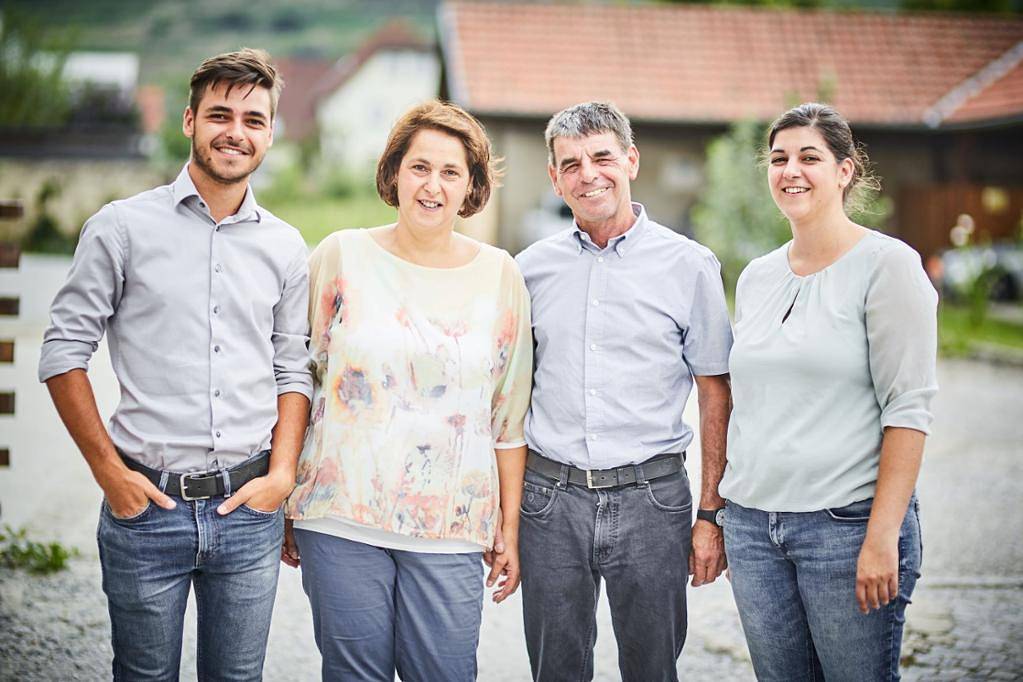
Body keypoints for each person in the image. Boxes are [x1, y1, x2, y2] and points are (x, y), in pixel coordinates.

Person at [38, 48, 311, 679]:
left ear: (270, 133)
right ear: (189, 120)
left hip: (249, 513)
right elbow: (62, 354)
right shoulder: (120, 228)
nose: (235, 133)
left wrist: (282, 476)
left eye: (253, 120)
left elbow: (293, 368)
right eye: (220, 115)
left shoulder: (285, 246)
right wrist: (109, 473)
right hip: (146, 509)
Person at [282, 100, 532, 682]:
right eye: (420, 167)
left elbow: (508, 416)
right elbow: (297, 380)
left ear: (471, 186)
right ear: (394, 171)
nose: (432, 185)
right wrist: (285, 486)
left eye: (450, 172)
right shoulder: (340, 255)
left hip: (451, 528)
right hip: (339, 519)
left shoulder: (500, 275)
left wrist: (509, 527)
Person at [515, 101, 733, 682]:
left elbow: (716, 393)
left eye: (602, 157)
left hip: (652, 501)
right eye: (571, 164)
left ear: (631, 160)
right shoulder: (528, 270)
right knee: (555, 672)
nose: (588, 174)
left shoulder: (690, 265)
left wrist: (711, 513)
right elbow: (507, 395)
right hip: (549, 501)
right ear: (555, 178)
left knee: (653, 670)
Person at [719, 102, 938, 680]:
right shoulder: (758, 276)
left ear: (844, 171)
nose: (790, 170)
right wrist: (726, 517)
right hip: (754, 528)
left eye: (809, 157)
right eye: (778, 159)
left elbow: (908, 410)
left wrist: (882, 536)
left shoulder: (888, 266)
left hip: (844, 527)